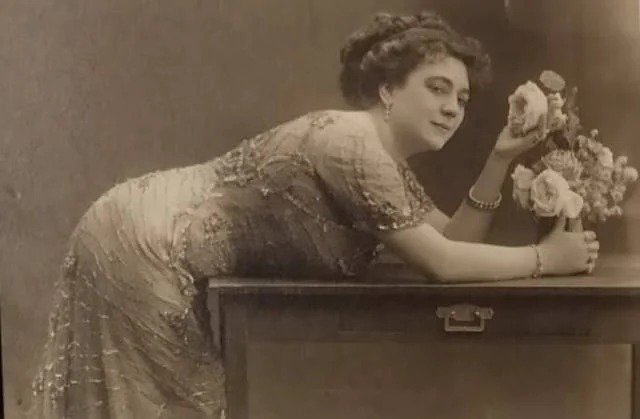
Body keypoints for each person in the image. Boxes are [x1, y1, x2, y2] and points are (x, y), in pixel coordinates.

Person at [28, 10, 599, 419]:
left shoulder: (385, 163)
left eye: (462, 98)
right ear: (388, 90)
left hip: (147, 236)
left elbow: (452, 240)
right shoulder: (350, 144)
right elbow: (443, 264)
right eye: (437, 89)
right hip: (144, 240)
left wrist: (499, 158)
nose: (452, 108)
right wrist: (545, 259)